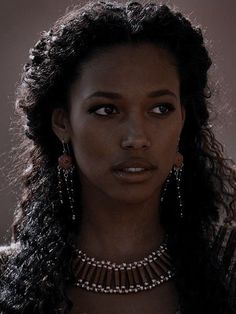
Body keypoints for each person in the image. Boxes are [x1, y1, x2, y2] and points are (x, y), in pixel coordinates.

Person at [0, 1, 235, 313]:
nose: (136, 138)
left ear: (183, 119)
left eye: (160, 108)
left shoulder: (228, 269)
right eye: (106, 110)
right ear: (62, 122)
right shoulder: (7, 279)